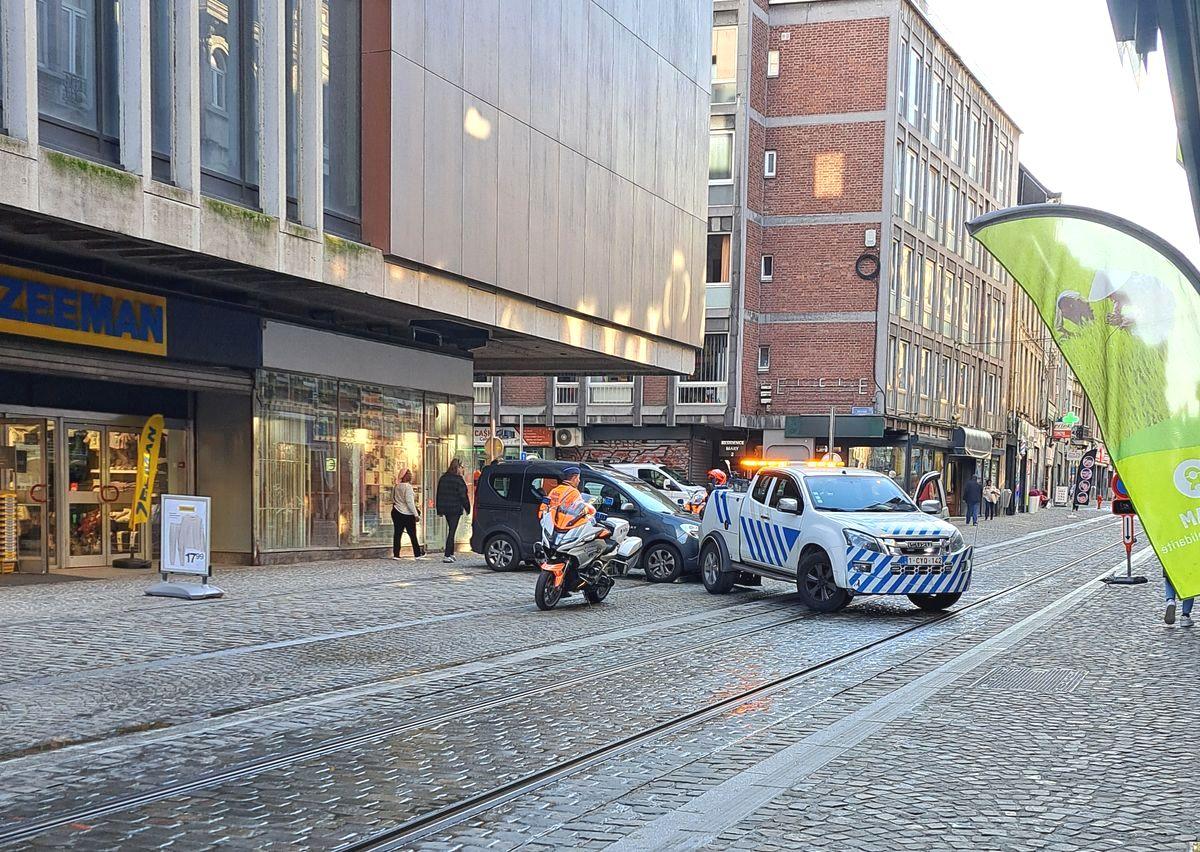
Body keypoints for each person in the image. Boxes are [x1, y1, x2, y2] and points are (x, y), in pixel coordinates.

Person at [435, 459, 471, 563]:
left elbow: (439, 495)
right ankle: (447, 555)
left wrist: (440, 509)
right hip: (455, 508)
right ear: (457, 468)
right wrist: (467, 508)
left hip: (446, 508)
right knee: (452, 531)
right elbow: (463, 496)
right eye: (461, 467)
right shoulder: (458, 480)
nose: (462, 469)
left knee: (451, 529)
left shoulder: (443, 478)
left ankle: (451, 553)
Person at [391, 467, 424, 560]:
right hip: (407, 514)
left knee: (397, 533)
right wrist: (416, 515)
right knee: (412, 534)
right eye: (408, 473)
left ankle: (396, 554)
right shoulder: (408, 487)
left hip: (396, 511)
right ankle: (417, 554)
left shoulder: (396, 486)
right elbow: (410, 502)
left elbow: (392, 498)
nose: (410, 475)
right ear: (405, 476)